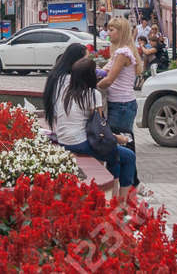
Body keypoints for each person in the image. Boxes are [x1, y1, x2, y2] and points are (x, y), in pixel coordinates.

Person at [43, 56, 137, 199]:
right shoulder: (93, 94)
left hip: (64, 141)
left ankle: (115, 197)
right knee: (129, 156)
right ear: (90, 77)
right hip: (80, 144)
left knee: (114, 154)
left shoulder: (65, 93)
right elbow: (101, 128)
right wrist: (119, 138)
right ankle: (123, 202)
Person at [98, 17, 138, 138]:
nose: (108, 33)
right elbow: (102, 72)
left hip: (121, 104)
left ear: (121, 32)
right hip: (119, 103)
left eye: (111, 30)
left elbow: (109, 80)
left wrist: (95, 86)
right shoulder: (118, 52)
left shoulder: (122, 53)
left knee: (120, 141)